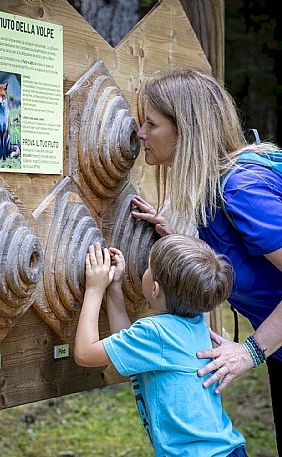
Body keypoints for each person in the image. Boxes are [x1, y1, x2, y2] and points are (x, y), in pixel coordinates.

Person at [130, 69, 282, 454]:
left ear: (185, 131)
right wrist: (175, 237)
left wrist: (249, 351)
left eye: (151, 124)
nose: (141, 134)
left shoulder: (240, 190)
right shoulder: (209, 195)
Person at [74, 236, 248, 457]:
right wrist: (114, 288)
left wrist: (94, 288)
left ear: (155, 288)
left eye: (148, 267)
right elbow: (127, 347)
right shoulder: (195, 322)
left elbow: (84, 353)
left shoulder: (157, 332)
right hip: (226, 449)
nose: (144, 271)